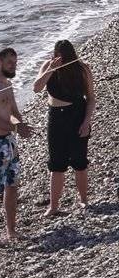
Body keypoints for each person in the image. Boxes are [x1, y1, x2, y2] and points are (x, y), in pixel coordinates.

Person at [0, 47, 34, 248]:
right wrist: (15, 127)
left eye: (15, 62)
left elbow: (13, 110)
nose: (14, 66)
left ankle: (11, 230)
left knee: (12, 185)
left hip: (9, 141)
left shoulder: (7, 84)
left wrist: (21, 125)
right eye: (10, 62)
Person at [32, 39, 95, 216]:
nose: (61, 59)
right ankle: (53, 206)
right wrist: (51, 69)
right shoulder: (48, 65)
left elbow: (90, 98)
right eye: (57, 55)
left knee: (79, 162)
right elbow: (36, 88)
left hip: (77, 114)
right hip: (56, 117)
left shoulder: (82, 68)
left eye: (64, 56)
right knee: (56, 163)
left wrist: (86, 121)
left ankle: (83, 199)